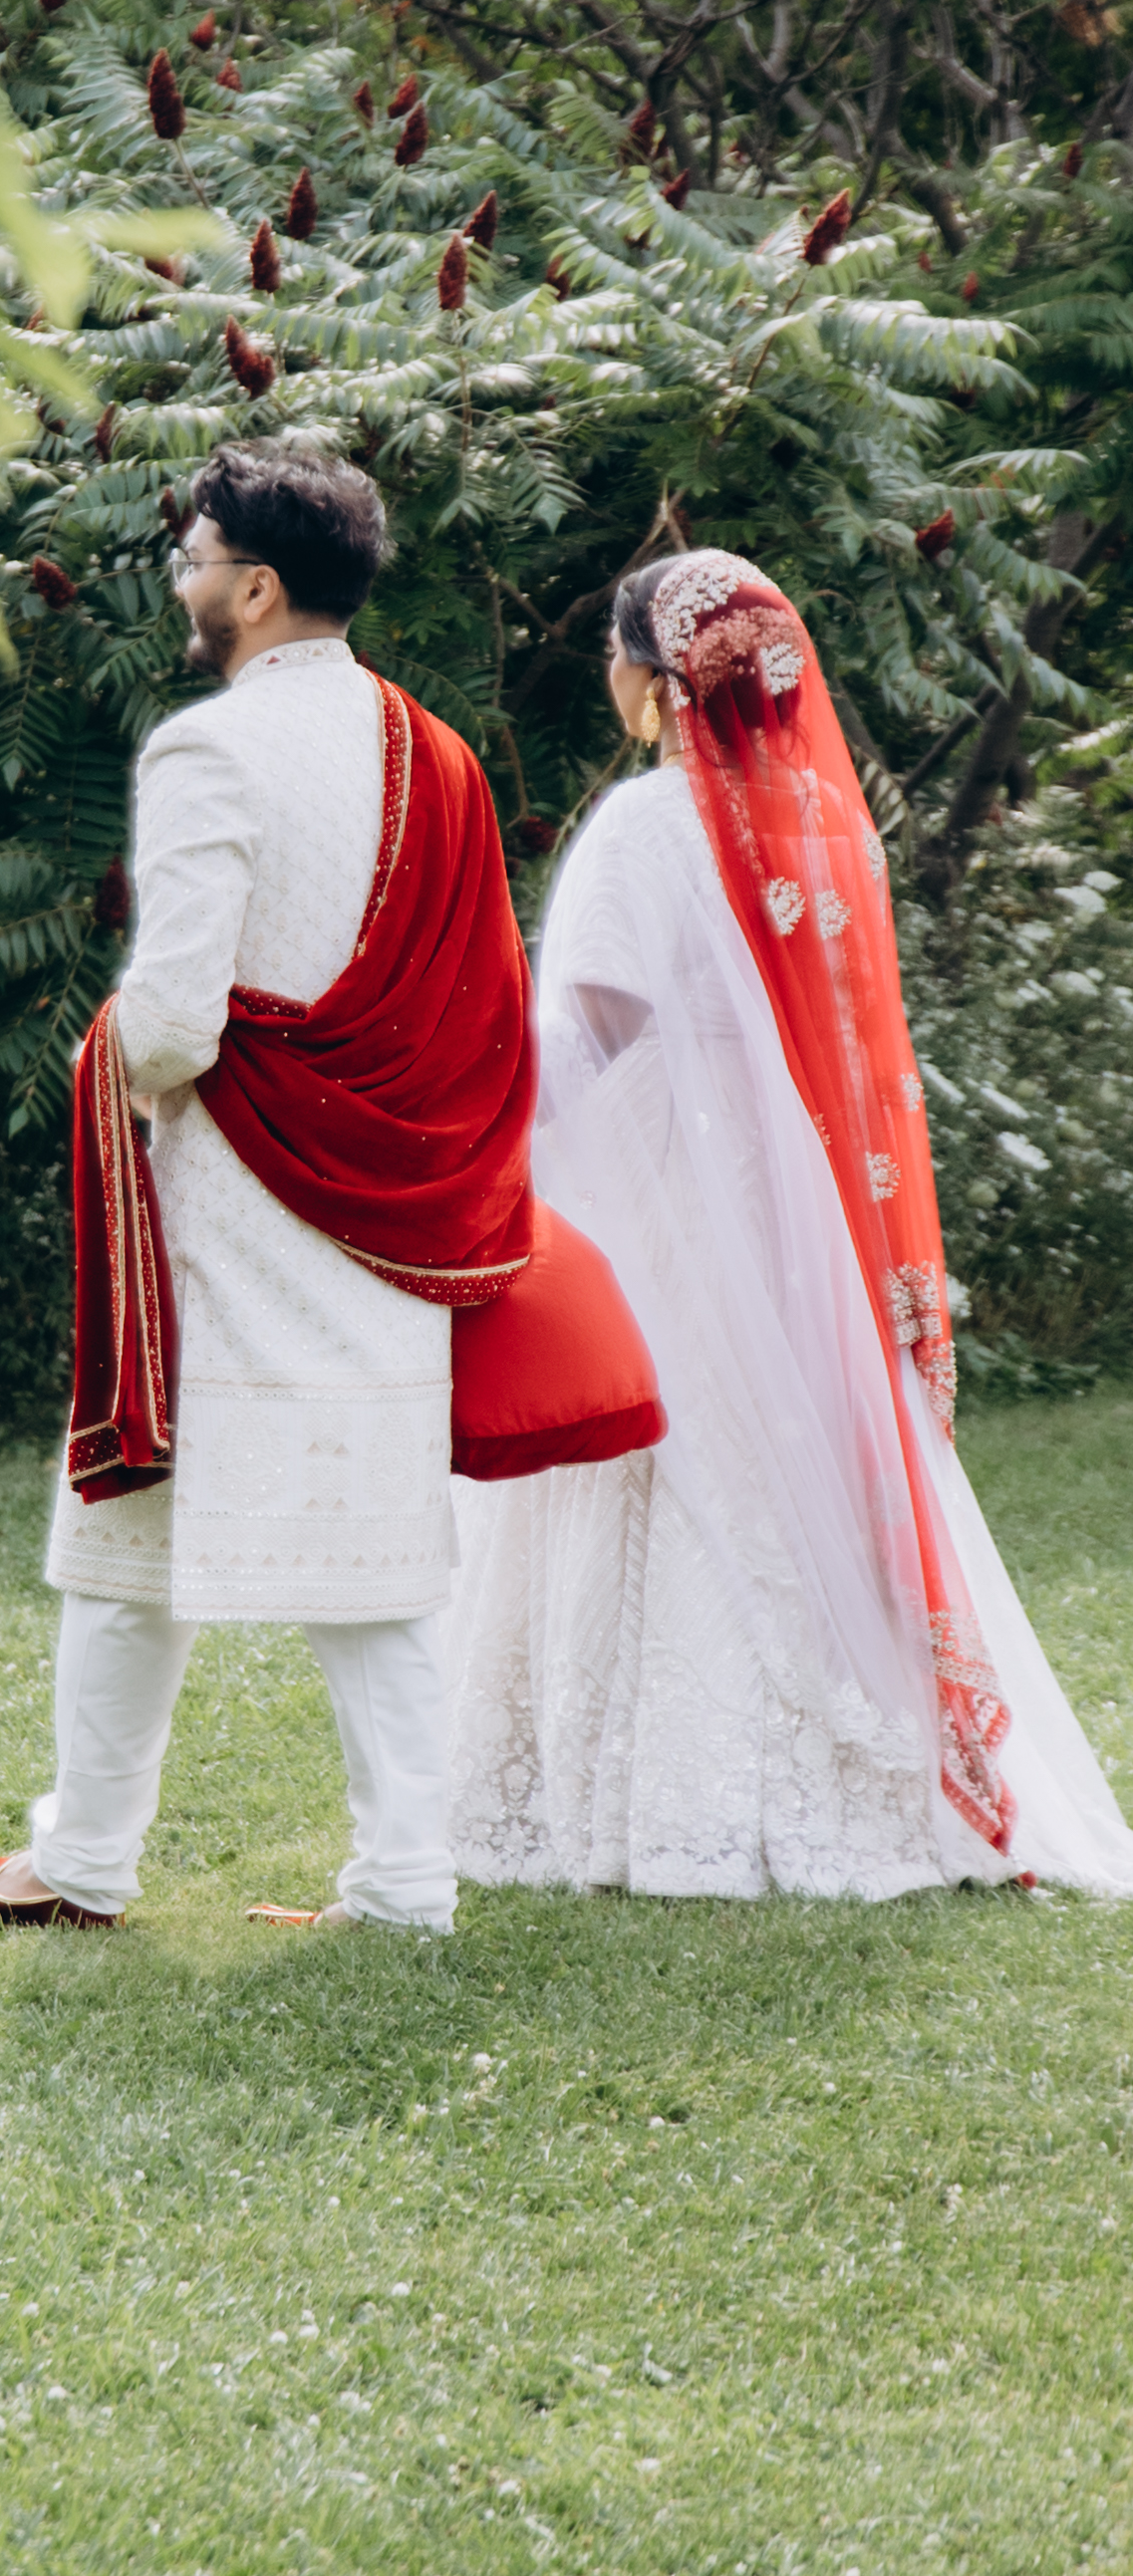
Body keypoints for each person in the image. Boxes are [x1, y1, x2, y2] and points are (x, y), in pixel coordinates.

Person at [0, 444, 543, 1934]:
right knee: (377, 1567)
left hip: (232, 1212)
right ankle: (401, 1885)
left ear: (255, 589)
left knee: (127, 1537)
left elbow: (176, 1023)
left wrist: (109, 1055)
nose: (180, 581)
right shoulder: (440, 758)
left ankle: (87, 1862)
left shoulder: (210, 752)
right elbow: (482, 1016)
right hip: (389, 1215)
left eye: (192, 559)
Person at [447, 545, 1133, 1899]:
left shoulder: (645, 828)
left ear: (657, 681)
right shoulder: (826, 823)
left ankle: (662, 1792)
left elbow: (588, 1037)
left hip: (663, 1182)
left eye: (618, 658)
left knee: (666, 1442)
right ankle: (855, 1752)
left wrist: (482, 1129)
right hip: (796, 1201)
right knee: (799, 1444)